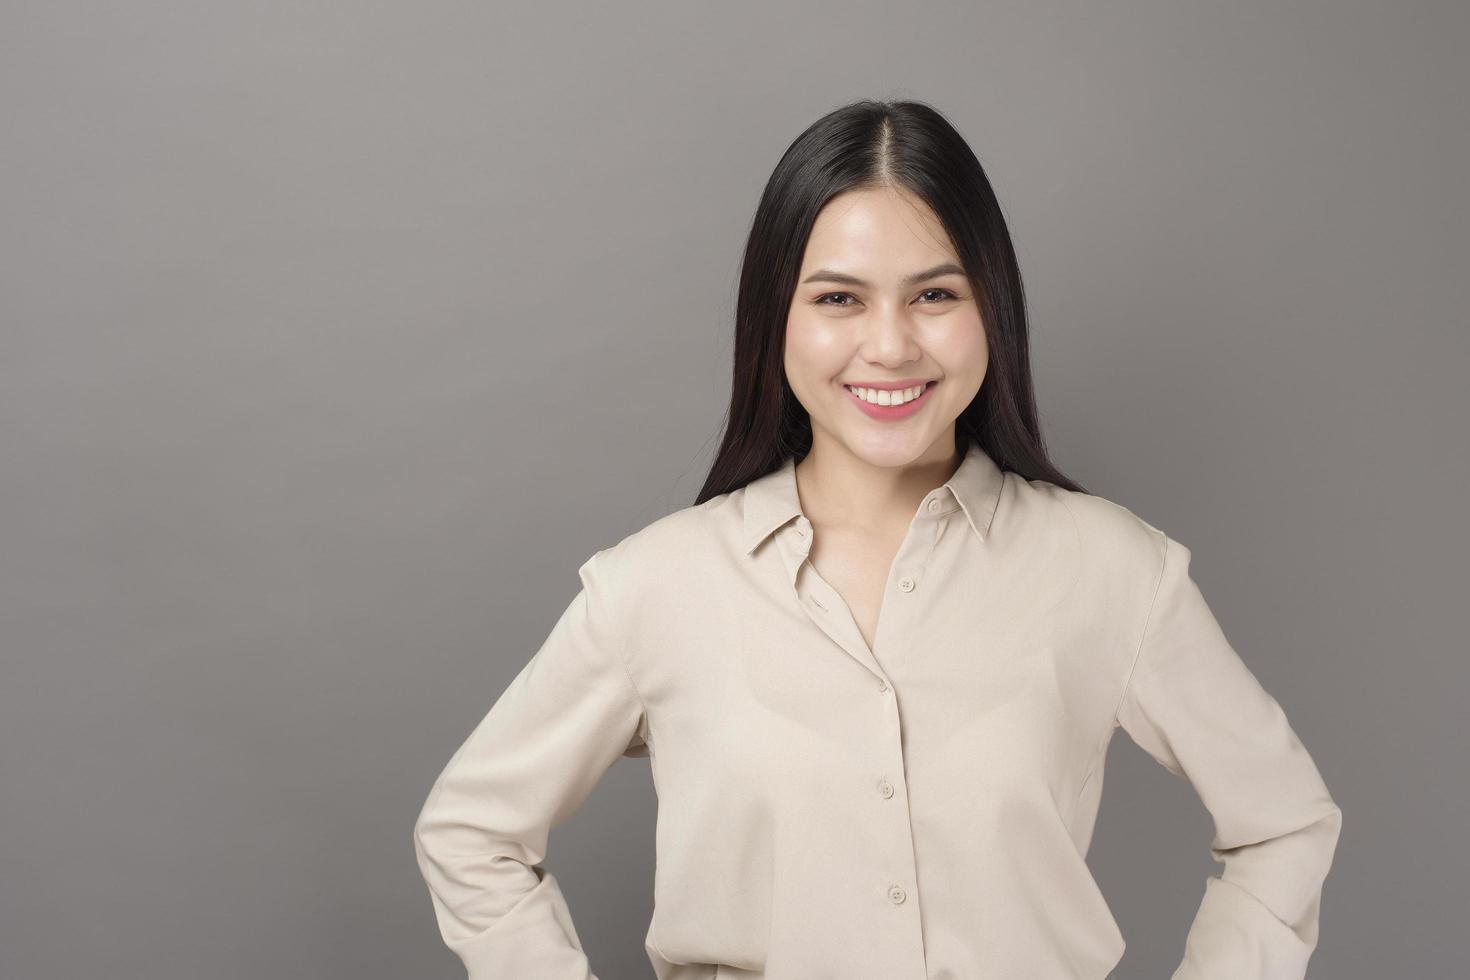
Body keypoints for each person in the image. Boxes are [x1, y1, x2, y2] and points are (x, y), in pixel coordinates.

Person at [411, 98, 1342, 980]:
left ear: (994, 308)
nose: (891, 346)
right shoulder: (660, 585)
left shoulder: (1112, 570)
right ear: (775, 317)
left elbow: (1284, 824)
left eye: (934, 293)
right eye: (839, 300)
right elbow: (471, 830)